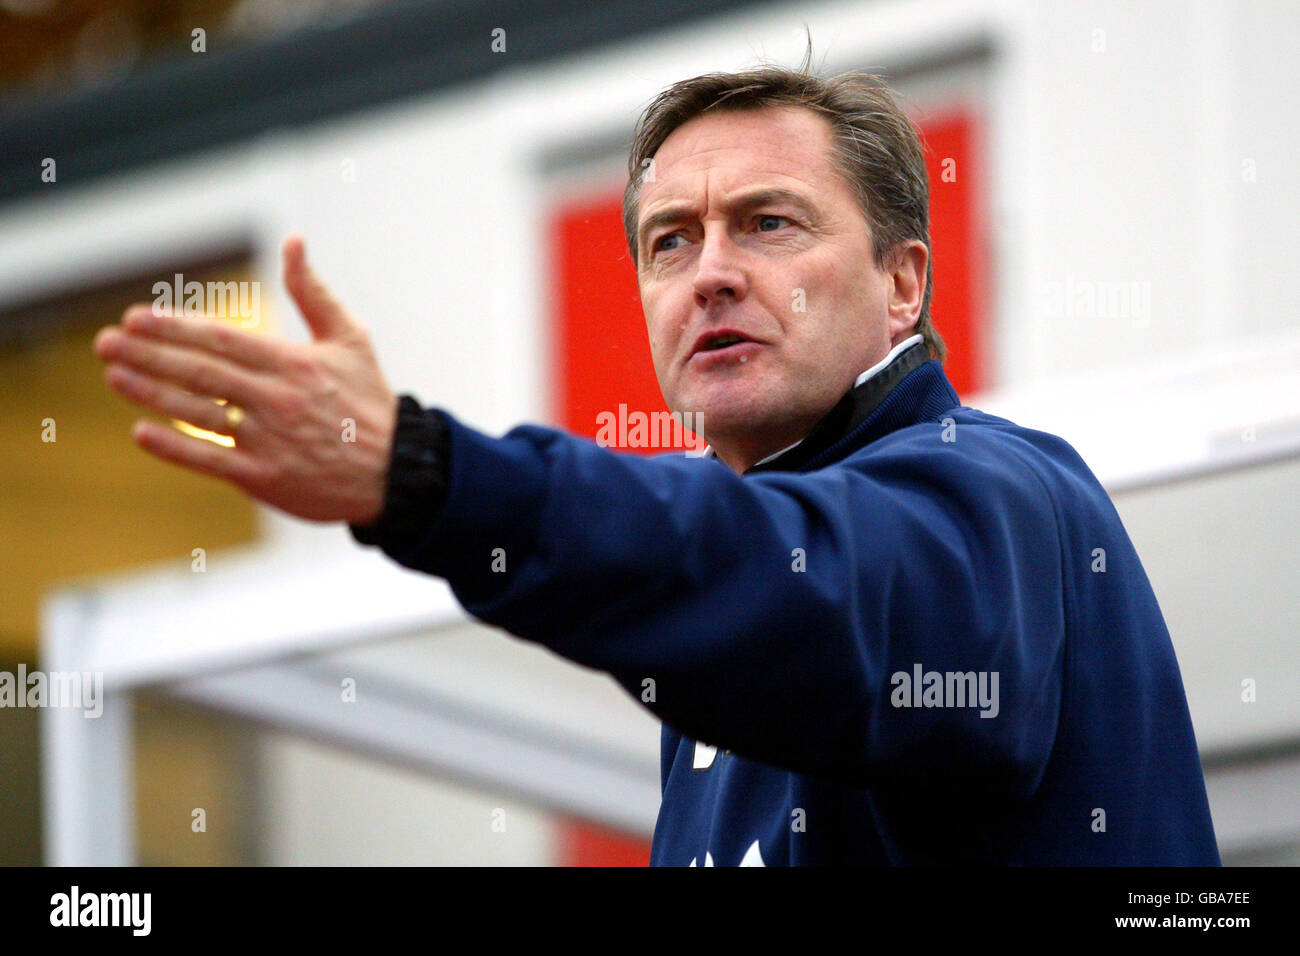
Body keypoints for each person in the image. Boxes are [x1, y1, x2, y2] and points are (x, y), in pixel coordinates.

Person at [92, 56, 1220, 866]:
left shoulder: (1000, 494)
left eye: (769, 222)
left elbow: (806, 586)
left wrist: (426, 474)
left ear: (902, 285)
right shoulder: (726, 646)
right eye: (669, 240)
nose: (709, 273)